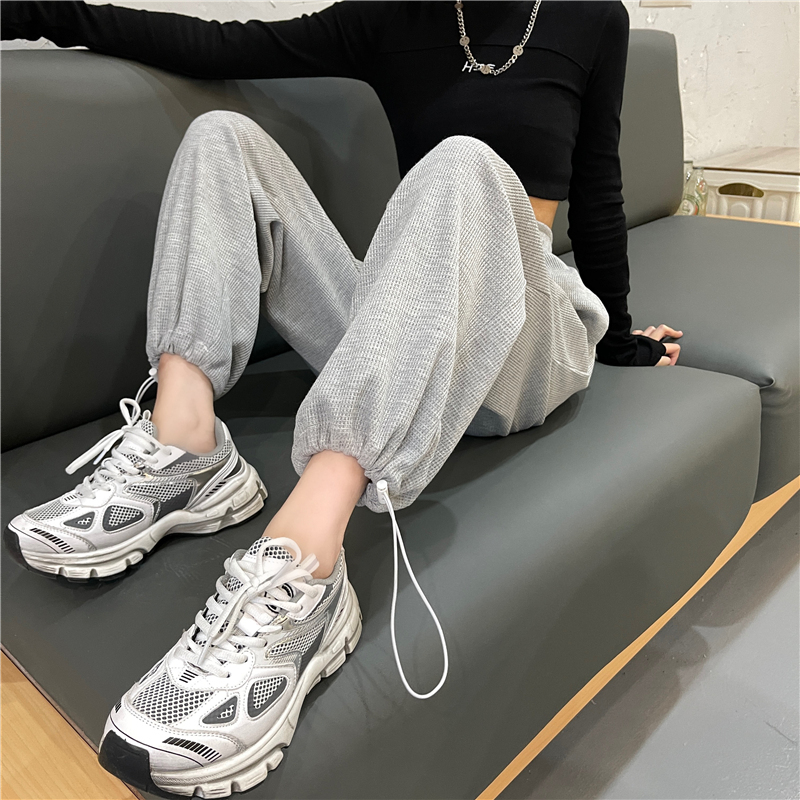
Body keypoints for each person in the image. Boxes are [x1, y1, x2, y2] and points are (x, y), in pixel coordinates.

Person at [2, 0, 683, 795]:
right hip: (413, 325)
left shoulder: (589, 16)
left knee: (463, 161)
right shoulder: (399, 16)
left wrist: (618, 335)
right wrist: (36, 11)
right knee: (221, 139)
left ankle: (305, 565)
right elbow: (221, 45)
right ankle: (186, 440)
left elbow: (599, 184)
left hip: (527, 336)